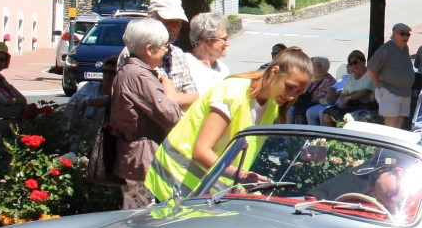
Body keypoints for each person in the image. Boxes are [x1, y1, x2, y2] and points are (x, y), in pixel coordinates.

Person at [145, 47, 312, 201]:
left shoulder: (272, 105)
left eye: (298, 92)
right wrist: (240, 175)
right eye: (289, 87)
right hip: (175, 181)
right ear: (274, 72)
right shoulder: (232, 92)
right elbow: (201, 151)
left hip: (204, 190)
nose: (291, 96)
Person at [110, 18, 184, 209]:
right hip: (144, 158)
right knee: (146, 217)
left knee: (136, 213)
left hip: (135, 155)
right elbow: (172, 116)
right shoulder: (140, 76)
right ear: (149, 49)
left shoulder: (128, 71)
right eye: (164, 46)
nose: (167, 50)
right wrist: (170, 91)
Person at [118, 0, 198, 110]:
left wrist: (171, 98)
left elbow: (194, 96)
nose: (175, 27)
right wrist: (177, 97)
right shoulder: (131, 55)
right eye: (168, 21)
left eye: (178, 22)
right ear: (150, 19)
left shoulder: (177, 54)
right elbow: (145, 103)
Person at [366, 22, 415, 127]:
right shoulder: (386, 48)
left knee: (400, 121)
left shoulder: (405, 48)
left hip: (405, 92)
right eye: (403, 34)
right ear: (395, 34)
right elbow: (370, 69)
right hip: (390, 91)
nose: (406, 37)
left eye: (408, 34)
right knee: (390, 123)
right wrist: (378, 84)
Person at [182, 12, 232, 95]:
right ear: (206, 40)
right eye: (224, 39)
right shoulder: (185, 64)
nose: (227, 44)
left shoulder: (223, 69)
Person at [322, 50, 378, 124]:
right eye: (351, 64)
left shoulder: (370, 74)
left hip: (365, 105)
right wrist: (342, 100)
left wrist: (348, 98)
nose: (354, 65)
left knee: (347, 119)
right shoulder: (351, 76)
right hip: (351, 104)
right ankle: (332, 134)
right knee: (327, 114)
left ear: (364, 61)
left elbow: (365, 91)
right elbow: (344, 92)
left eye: (355, 62)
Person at [295, 56, 338, 125]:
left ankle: (307, 133)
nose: (311, 68)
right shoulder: (314, 77)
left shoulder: (329, 81)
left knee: (305, 110)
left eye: (313, 66)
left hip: (318, 103)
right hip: (309, 101)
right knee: (292, 107)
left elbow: (323, 97)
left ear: (320, 67)